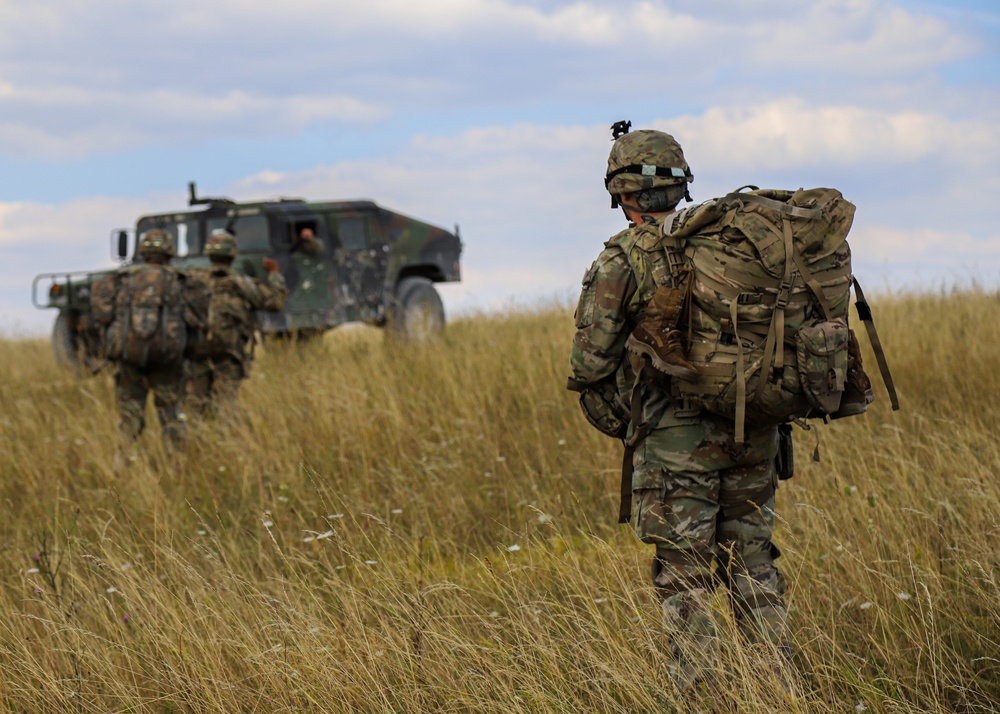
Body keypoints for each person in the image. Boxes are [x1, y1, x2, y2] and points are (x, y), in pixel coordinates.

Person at [568, 126, 790, 693]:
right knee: (755, 567)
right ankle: (776, 692)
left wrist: (633, 426)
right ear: (681, 183)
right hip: (754, 430)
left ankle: (700, 697)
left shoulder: (622, 258)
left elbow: (590, 365)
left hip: (673, 449)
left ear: (623, 194)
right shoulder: (734, 244)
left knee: (686, 582)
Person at [91, 229, 208, 456]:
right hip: (168, 361)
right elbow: (200, 321)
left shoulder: (120, 280)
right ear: (169, 253)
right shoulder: (183, 281)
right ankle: (176, 467)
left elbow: (102, 316)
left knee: (129, 419)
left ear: (143, 252)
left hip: (129, 359)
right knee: (171, 415)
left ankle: (122, 465)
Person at [185, 230, 287, 416]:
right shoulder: (242, 284)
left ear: (209, 253)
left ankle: (195, 443)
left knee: (194, 406)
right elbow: (275, 303)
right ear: (232, 255)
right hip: (229, 353)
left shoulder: (193, 280)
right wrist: (274, 274)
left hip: (196, 352)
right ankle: (227, 442)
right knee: (226, 405)